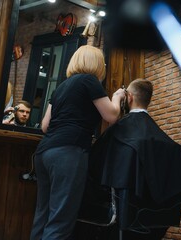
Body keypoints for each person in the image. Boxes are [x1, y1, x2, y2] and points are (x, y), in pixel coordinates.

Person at [77, 78, 181, 240]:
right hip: (155, 219)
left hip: (125, 211)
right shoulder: (167, 143)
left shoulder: (119, 132)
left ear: (129, 97)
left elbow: (95, 165)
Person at [30, 45, 126, 240]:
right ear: (97, 64)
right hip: (68, 153)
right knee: (60, 219)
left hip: (44, 153)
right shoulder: (89, 81)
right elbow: (111, 115)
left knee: (43, 214)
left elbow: (45, 126)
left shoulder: (61, 87)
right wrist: (117, 97)